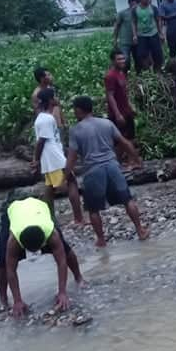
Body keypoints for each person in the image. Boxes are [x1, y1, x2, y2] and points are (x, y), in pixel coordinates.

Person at [66, 96, 149, 247]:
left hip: (92, 170)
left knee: (93, 209)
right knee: (127, 200)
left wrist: (65, 175)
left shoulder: (76, 130)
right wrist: (137, 159)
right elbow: (124, 143)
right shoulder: (106, 123)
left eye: (74, 109)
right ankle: (140, 230)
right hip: (112, 166)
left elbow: (72, 157)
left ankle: (101, 239)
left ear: (78, 110)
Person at [0, 195, 85, 317]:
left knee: (65, 249)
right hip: (13, 211)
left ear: (44, 242)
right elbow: (10, 270)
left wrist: (62, 292)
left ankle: (79, 278)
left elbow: (62, 261)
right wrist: (17, 301)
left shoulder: (51, 232)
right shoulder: (13, 240)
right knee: (2, 261)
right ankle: (3, 300)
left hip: (39, 209)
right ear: (22, 245)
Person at [32, 88, 84, 225]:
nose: (57, 99)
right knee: (71, 181)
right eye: (55, 96)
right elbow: (41, 142)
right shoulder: (46, 119)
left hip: (50, 157)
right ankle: (79, 218)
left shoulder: (43, 118)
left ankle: (49, 219)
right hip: (54, 157)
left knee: (49, 188)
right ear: (50, 100)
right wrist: (36, 160)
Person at [104, 48, 137, 166]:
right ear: (113, 61)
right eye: (119, 59)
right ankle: (116, 163)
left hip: (126, 111)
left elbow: (124, 93)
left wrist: (131, 106)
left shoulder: (122, 74)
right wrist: (117, 114)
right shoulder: (110, 76)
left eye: (123, 58)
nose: (122, 61)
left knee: (131, 138)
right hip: (118, 114)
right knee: (120, 141)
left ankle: (130, 161)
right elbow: (110, 96)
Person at [132, 0, 166, 71]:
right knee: (141, 55)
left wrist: (161, 34)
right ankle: (147, 72)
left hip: (153, 34)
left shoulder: (153, 8)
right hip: (141, 36)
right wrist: (134, 35)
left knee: (158, 54)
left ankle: (157, 71)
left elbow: (158, 21)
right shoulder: (135, 9)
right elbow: (133, 22)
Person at [112, 0, 138, 69]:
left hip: (136, 41)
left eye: (137, 1)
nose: (135, 3)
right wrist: (115, 39)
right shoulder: (123, 13)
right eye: (134, 1)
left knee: (138, 59)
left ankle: (138, 76)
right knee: (125, 60)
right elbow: (117, 26)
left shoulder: (139, 13)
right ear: (130, 2)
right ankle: (124, 76)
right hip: (125, 42)